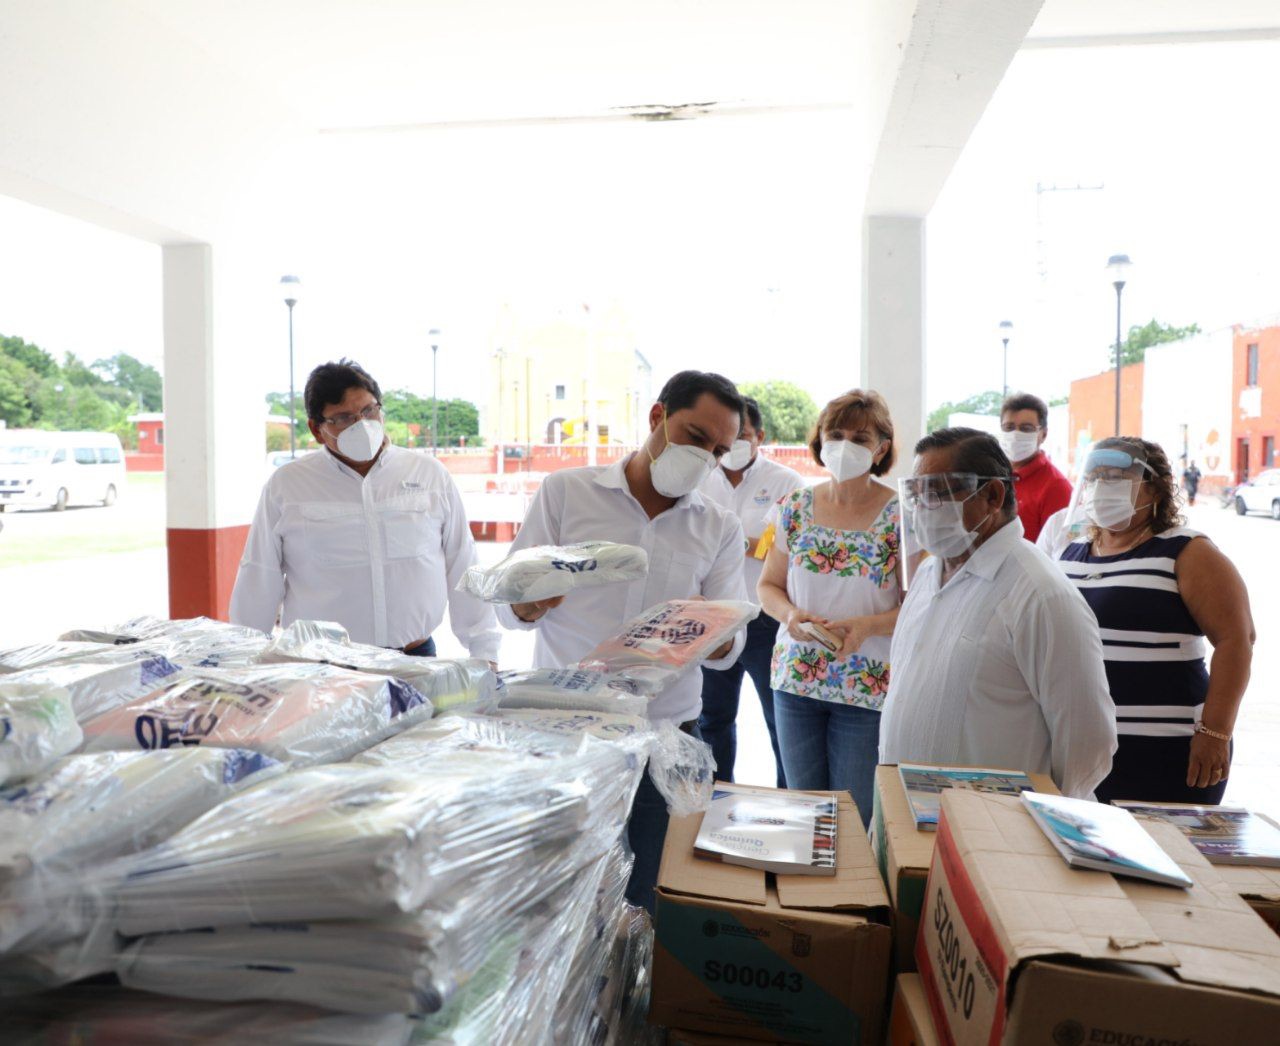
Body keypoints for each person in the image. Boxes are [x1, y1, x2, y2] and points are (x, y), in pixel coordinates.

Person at [495, 370, 749, 913]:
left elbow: (731, 644)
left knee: (649, 895)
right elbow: (512, 603)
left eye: (720, 451)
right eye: (696, 437)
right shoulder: (567, 492)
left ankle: (635, 996)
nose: (705, 458)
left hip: (665, 733)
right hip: (568, 728)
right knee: (562, 892)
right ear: (657, 417)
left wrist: (715, 632)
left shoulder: (719, 527)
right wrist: (525, 603)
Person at [879, 427, 1117, 799]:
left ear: (991, 495)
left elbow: (1089, 744)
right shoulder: (928, 573)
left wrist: (1032, 830)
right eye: (916, 496)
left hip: (993, 836)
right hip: (906, 816)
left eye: (936, 494)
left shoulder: (1042, 595)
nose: (922, 510)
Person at [230, 359, 500, 663]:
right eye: (343, 418)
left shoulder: (429, 476)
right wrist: (245, 662)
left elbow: (463, 563)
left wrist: (485, 651)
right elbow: (259, 576)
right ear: (317, 430)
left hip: (416, 659)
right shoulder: (288, 487)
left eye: (369, 410)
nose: (361, 424)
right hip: (323, 668)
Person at [1051, 438, 1254, 804]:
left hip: (1171, 751)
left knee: (1168, 856)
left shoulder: (1187, 551)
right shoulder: (1070, 553)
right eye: (1094, 477)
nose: (1101, 487)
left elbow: (1236, 639)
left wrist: (1216, 732)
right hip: (1086, 754)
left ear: (1155, 487)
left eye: (1116, 476)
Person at [757, 390, 904, 828]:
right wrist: (789, 616)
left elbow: (918, 607)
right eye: (835, 434)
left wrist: (869, 626)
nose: (845, 445)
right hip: (796, 678)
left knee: (852, 816)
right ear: (819, 439)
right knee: (803, 812)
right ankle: (804, 897)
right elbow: (767, 586)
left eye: (860, 437)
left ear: (881, 447)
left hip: (866, 683)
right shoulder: (793, 509)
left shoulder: (901, 516)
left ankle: (850, 897)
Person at [696, 396, 802, 787]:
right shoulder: (702, 477)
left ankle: (786, 798)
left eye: (743, 436)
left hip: (763, 621)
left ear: (761, 436)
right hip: (714, 618)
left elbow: (787, 548)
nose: (733, 446)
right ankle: (713, 798)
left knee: (779, 719)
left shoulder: (786, 483)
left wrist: (739, 541)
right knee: (712, 718)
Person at [997, 393, 1072, 544]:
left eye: (1026, 428)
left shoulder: (1056, 486)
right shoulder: (993, 475)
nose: (1015, 434)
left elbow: (1059, 550)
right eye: (1009, 427)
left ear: (1043, 434)